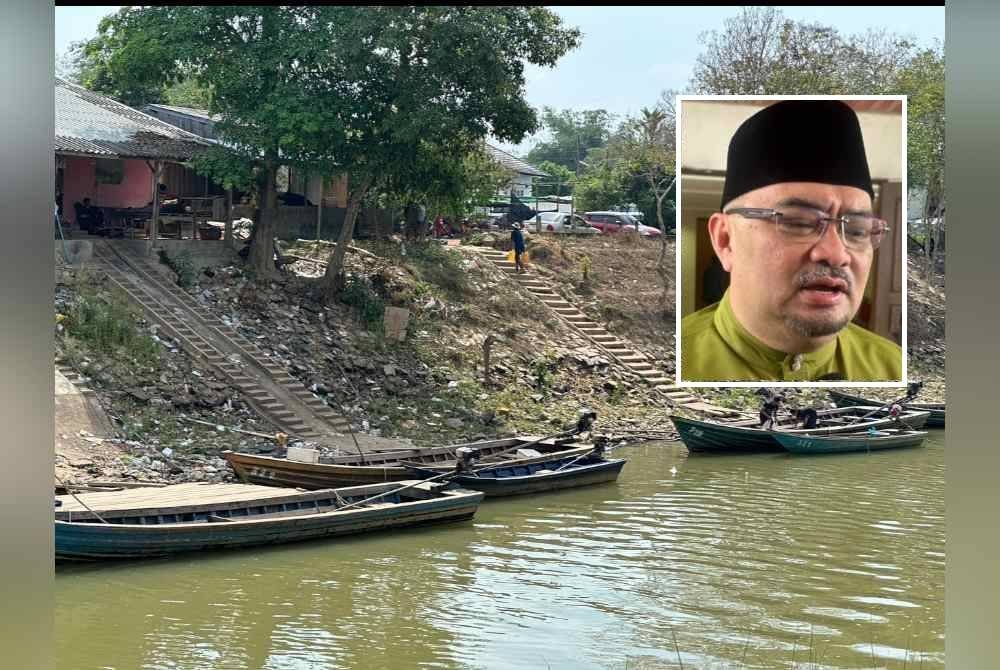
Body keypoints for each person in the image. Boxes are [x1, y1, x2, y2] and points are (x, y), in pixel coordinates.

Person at [681, 100, 903, 382]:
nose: (836, 254)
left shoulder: (891, 368)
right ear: (725, 240)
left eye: (857, 230)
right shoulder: (677, 362)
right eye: (798, 223)